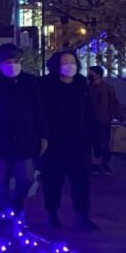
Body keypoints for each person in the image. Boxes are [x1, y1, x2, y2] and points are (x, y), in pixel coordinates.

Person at [0, 45, 47, 219]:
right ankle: (1, 215)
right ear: (0, 63)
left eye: (16, 61)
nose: (12, 65)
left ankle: (16, 203)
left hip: (25, 140)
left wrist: (43, 134)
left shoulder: (30, 82)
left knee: (26, 178)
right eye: (8, 61)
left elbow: (39, 110)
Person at [39, 50, 97, 229]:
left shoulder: (82, 85)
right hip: (54, 142)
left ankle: (82, 214)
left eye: (72, 61)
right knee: (53, 180)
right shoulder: (46, 86)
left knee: (80, 179)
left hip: (79, 141)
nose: (69, 65)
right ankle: (52, 214)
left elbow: (89, 113)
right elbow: (40, 114)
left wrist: (93, 137)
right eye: (65, 61)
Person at [86, 66, 124, 174]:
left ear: (98, 75)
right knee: (93, 143)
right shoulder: (87, 88)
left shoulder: (107, 89)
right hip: (91, 120)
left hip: (103, 121)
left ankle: (103, 164)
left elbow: (113, 104)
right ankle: (94, 164)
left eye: (91, 73)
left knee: (104, 143)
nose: (89, 76)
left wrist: (121, 117)